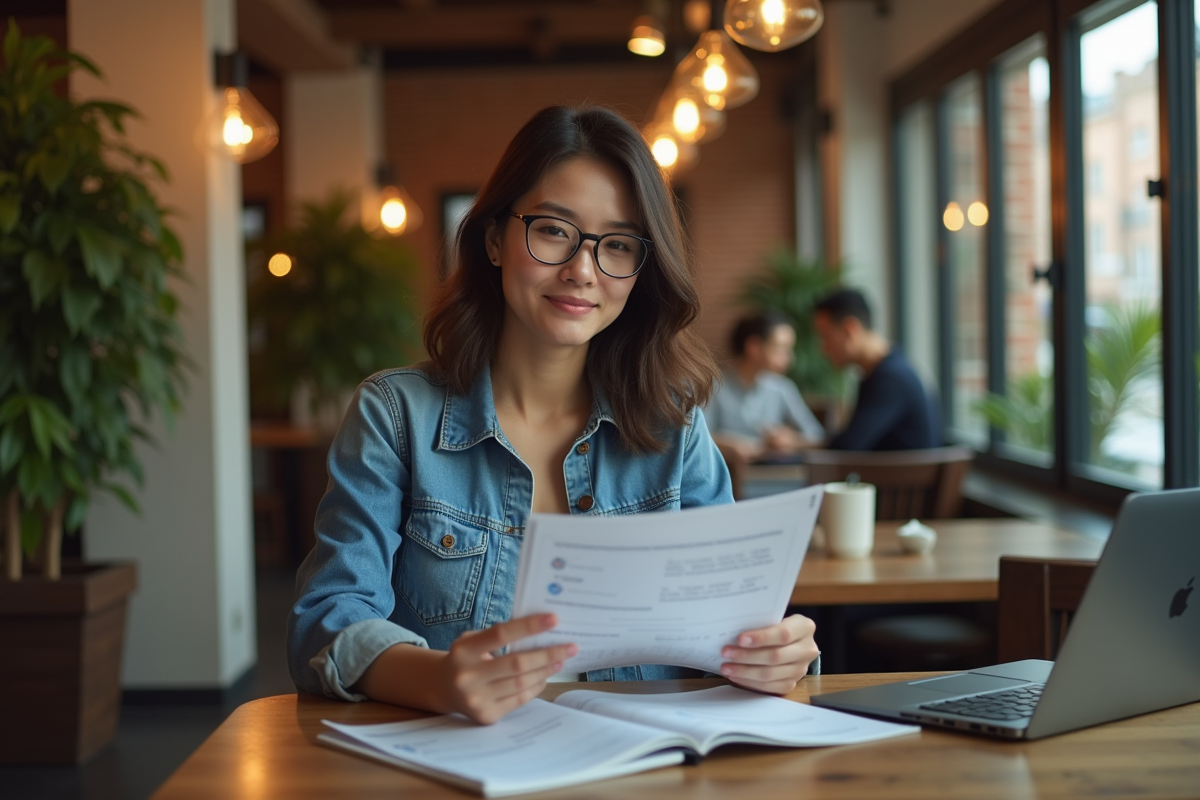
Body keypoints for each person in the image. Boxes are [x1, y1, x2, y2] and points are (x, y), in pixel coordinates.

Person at [287, 106, 819, 725]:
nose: (582, 271)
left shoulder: (674, 425)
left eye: (617, 244)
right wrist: (438, 680)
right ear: (494, 239)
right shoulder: (395, 417)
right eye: (553, 231)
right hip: (456, 759)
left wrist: (774, 655)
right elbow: (326, 620)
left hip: (641, 760)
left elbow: (732, 623)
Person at [812, 288, 941, 450]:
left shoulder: (891, 378)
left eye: (826, 337)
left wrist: (800, 443)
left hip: (898, 468)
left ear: (849, 329)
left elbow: (847, 446)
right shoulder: (883, 370)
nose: (823, 349)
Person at [705, 311, 825, 466]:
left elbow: (817, 436)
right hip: (727, 470)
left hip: (773, 471)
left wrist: (792, 440)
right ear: (753, 347)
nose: (790, 359)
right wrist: (731, 445)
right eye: (781, 349)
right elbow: (698, 435)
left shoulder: (782, 387)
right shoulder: (712, 387)